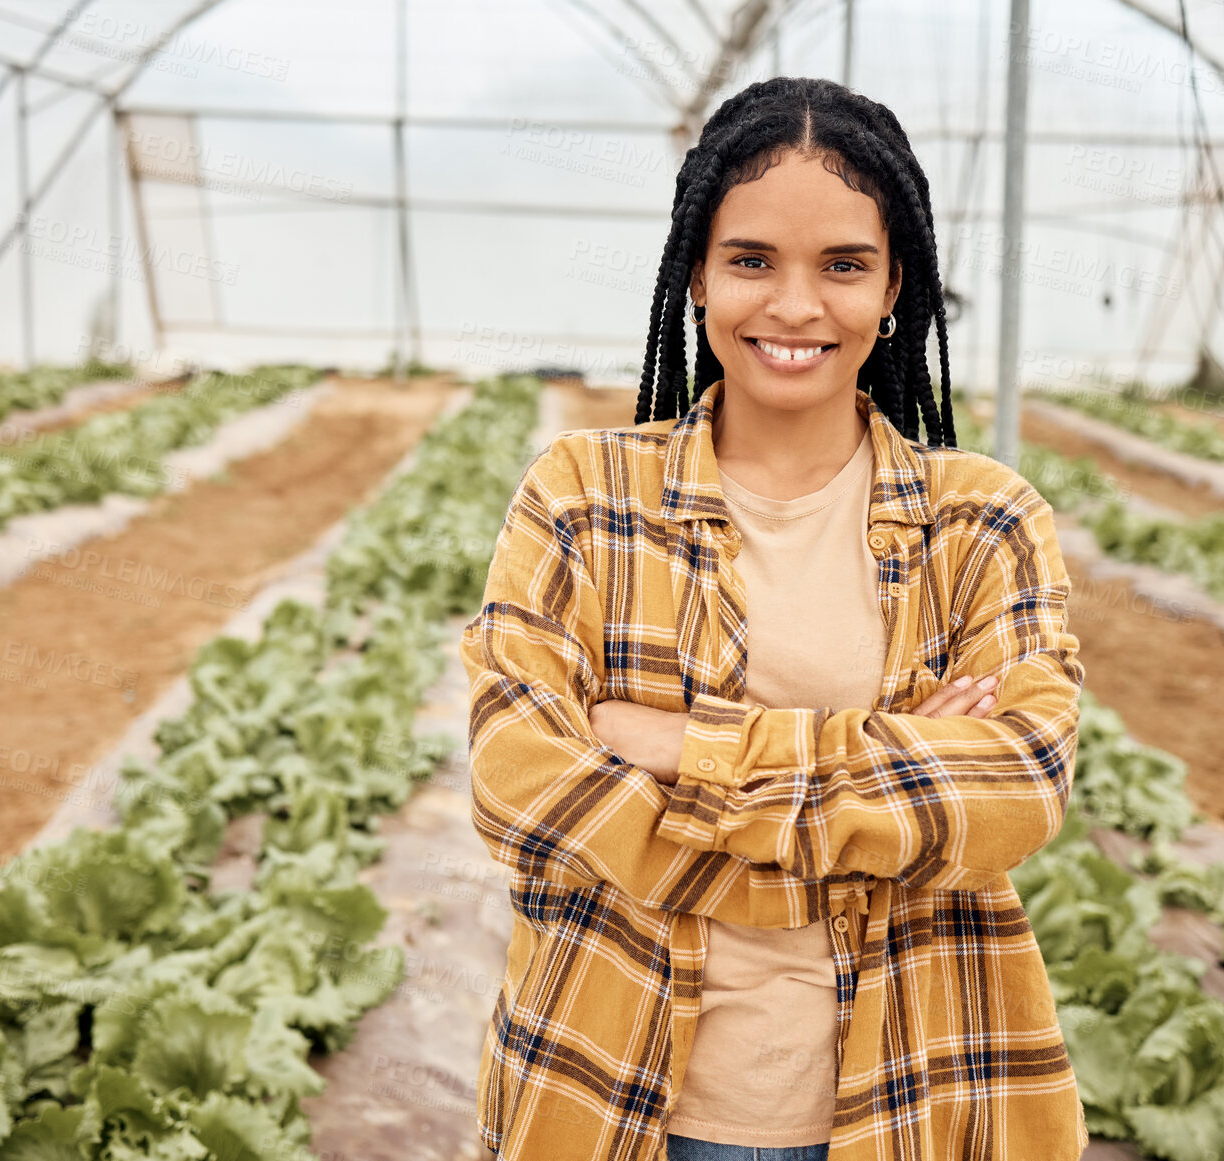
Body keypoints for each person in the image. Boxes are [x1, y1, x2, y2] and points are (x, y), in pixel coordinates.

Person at [458, 76, 1089, 1161]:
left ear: (896, 288)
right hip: (616, 1090)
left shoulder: (983, 522)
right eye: (752, 260)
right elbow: (517, 780)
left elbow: (1016, 787)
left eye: (844, 266)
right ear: (697, 273)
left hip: (913, 1095)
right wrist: (886, 787)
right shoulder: (583, 497)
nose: (796, 307)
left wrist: (673, 746)